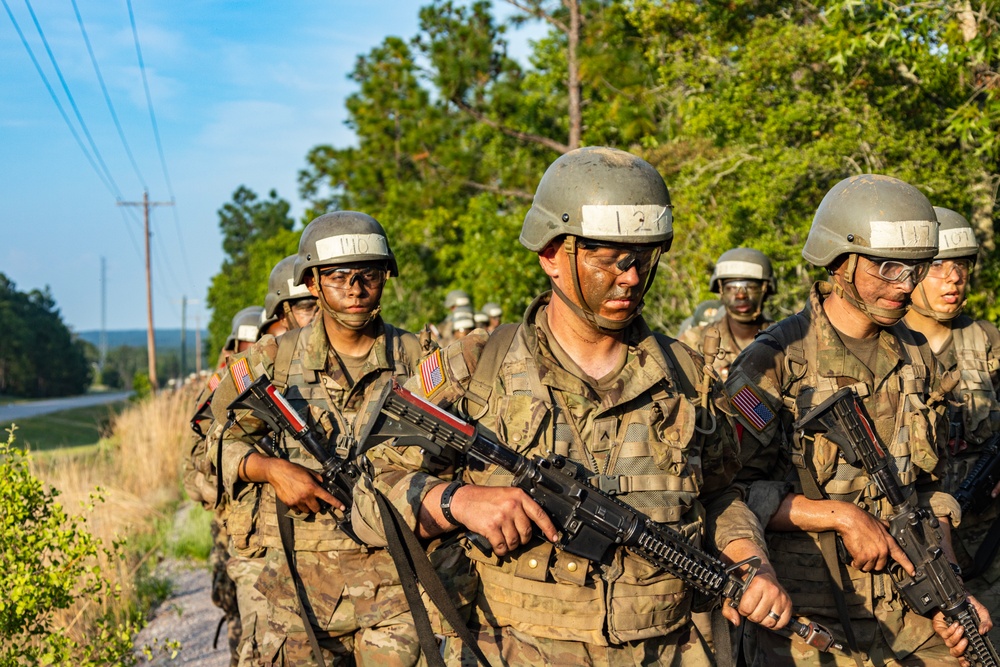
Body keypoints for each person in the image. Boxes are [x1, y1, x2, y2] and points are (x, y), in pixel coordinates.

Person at [356, 146, 791, 666]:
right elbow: (366, 495)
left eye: (643, 259)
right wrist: (458, 502)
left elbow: (723, 494)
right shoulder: (474, 369)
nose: (630, 278)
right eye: (609, 259)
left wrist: (749, 560)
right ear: (551, 256)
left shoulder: (689, 378)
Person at [726, 174, 992, 666]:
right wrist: (840, 516)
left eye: (914, 269)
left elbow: (930, 493)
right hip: (812, 620)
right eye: (888, 267)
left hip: (907, 613)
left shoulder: (918, 355)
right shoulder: (775, 360)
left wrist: (950, 595)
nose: (905, 285)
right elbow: (730, 495)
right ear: (840, 261)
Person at [210, 211, 431, 666]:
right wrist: (270, 469)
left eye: (368, 274)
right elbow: (217, 442)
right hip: (297, 593)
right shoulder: (270, 359)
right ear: (311, 282)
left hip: (397, 591)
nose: (354, 287)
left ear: (385, 276)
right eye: (337, 275)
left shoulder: (421, 358)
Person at [903, 206, 1000, 627]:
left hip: (987, 546)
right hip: (913, 550)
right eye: (939, 265)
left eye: (962, 265)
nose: (954, 277)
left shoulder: (988, 341)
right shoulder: (885, 346)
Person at [184, 305, 263, 666]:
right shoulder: (223, 383)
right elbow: (197, 453)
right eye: (250, 341)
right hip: (233, 514)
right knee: (234, 602)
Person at [680, 248, 776, 380]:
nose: (741, 295)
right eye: (731, 288)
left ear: (765, 290)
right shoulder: (694, 341)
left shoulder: (786, 341)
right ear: (721, 290)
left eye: (751, 287)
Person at [259, 254, 319, 337]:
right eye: (307, 308)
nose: (319, 314)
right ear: (283, 317)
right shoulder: (271, 349)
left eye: (325, 305)